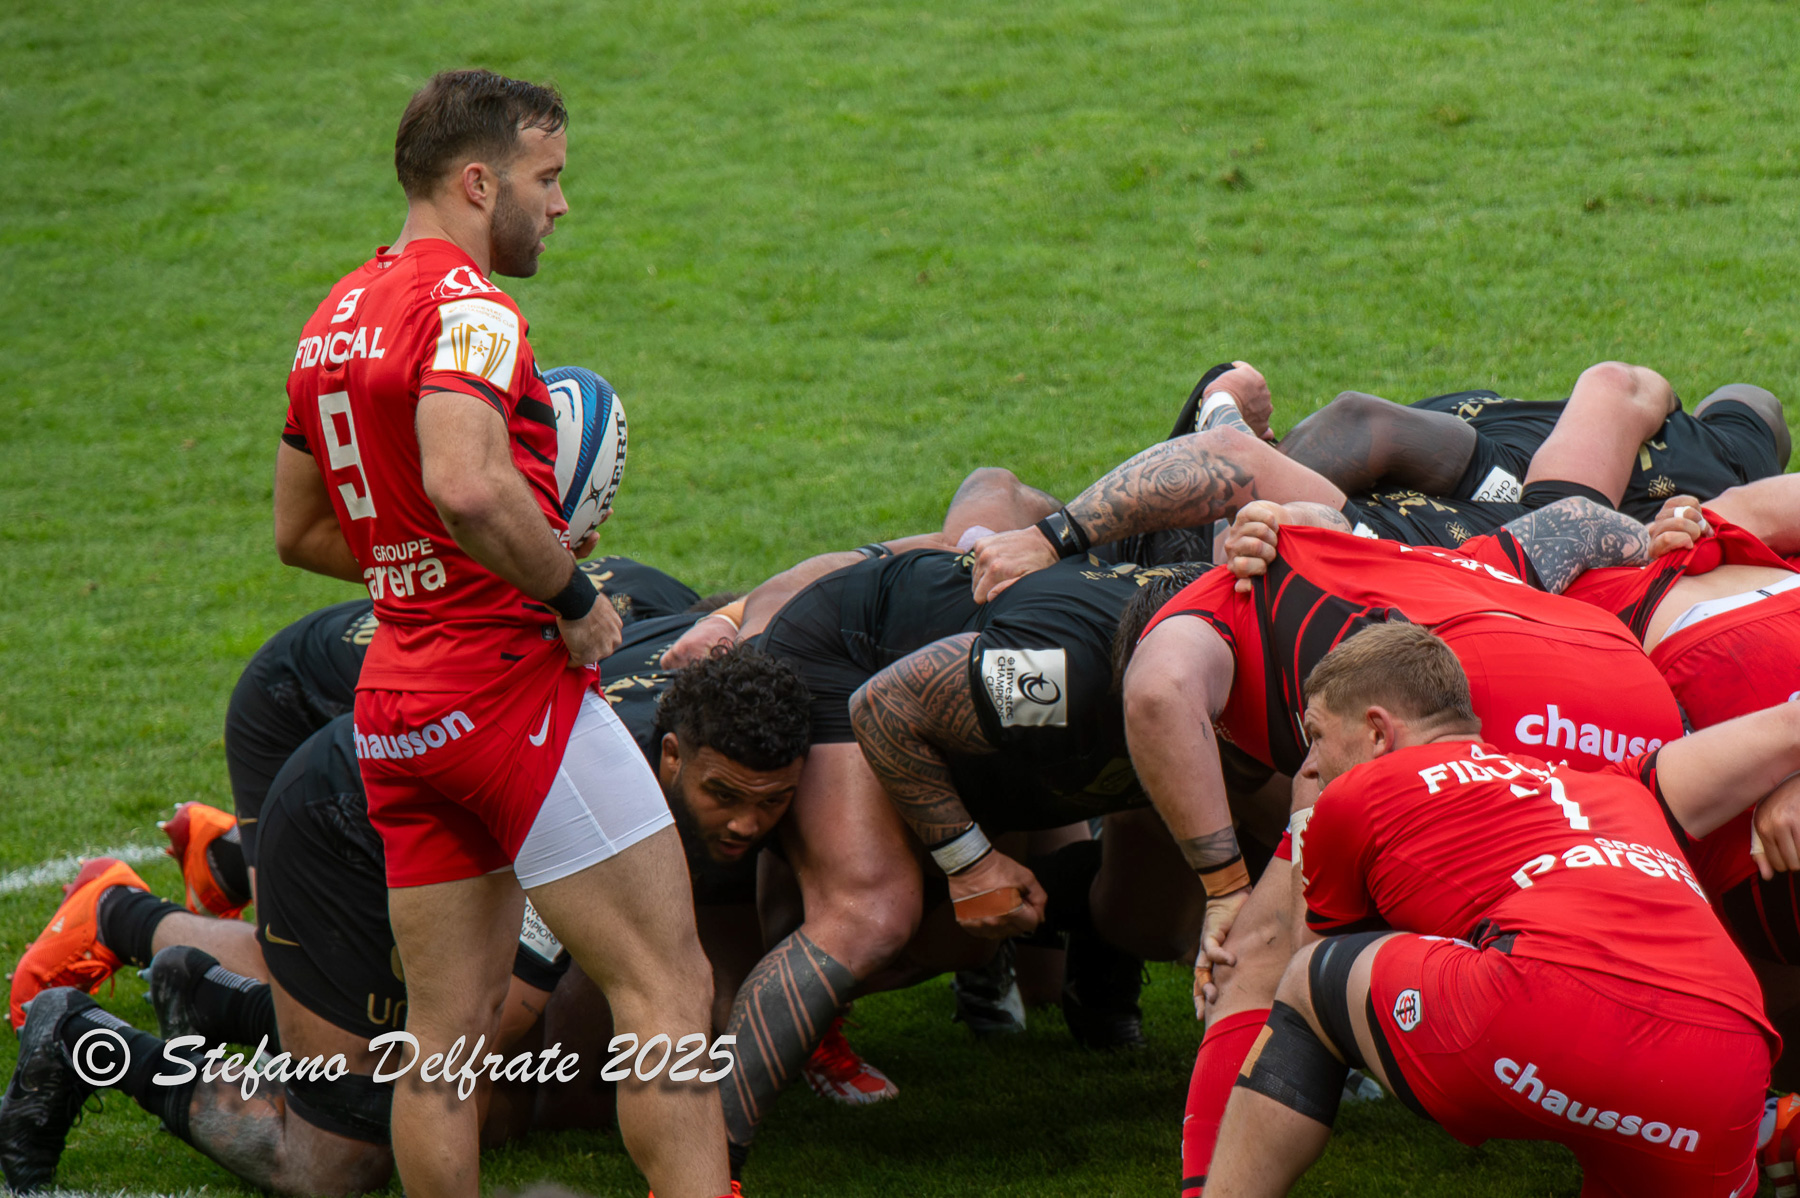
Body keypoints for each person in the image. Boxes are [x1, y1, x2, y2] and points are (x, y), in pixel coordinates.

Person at [272, 70, 726, 1197]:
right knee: (668, 992)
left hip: (393, 709)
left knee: (445, 1037)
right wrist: (573, 600)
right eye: (548, 177)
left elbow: (302, 528)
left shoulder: (333, 317)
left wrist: (417, 564)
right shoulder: (471, 310)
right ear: (479, 182)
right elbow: (470, 485)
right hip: (507, 694)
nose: (561, 204)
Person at [0, 624, 807, 1196]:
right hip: (340, 826)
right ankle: (88, 1017)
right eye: (723, 795)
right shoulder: (594, 792)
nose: (746, 823)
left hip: (406, 760)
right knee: (343, 1155)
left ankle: (220, 997)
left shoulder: (690, 673)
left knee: (520, 1052)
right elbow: (501, 1024)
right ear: (671, 755)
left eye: (769, 802)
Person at [1116, 496, 1676, 1196]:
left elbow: (1157, 693)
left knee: (1259, 954)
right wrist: (1662, 533)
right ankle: (1750, 1117)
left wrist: (1224, 888)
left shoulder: (1208, 604)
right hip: (1637, 696)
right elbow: (1577, 520)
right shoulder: (1430, 562)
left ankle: (1211, 1187)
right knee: (1622, 933)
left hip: (1472, 690)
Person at [1204, 621, 1791, 1198]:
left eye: (1318, 736)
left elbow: (1312, 959)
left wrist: (1307, 818)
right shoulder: (1613, 790)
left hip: (1550, 1010)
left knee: (1311, 982)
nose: (1309, 764)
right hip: (1734, 1051)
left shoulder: (1361, 791)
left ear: (1378, 733)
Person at [967, 360, 1785, 599]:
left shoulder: (1696, 465)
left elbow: (1618, 385)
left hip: (1488, 510)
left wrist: (1221, 416)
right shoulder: (1713, 487)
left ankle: (1172, 501)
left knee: (996, 503)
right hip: (1486, 514)